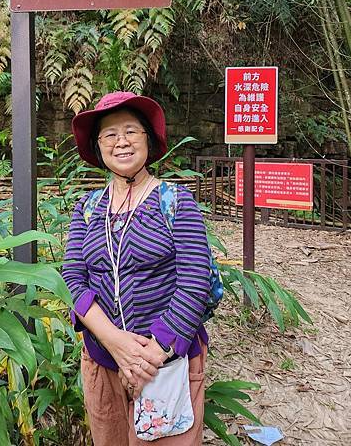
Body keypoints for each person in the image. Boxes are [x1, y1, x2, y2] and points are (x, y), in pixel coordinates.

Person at [63, 91, 211, 445]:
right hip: (103, 360)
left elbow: (195, 281)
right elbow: (72, 277)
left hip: (166, 364)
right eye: (110, 134)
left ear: (149, 139)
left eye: (131, 131)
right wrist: (116, 344)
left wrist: (152, 354)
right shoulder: (88, 207)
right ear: (98, 148)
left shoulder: (176, 202)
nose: (122, 142)